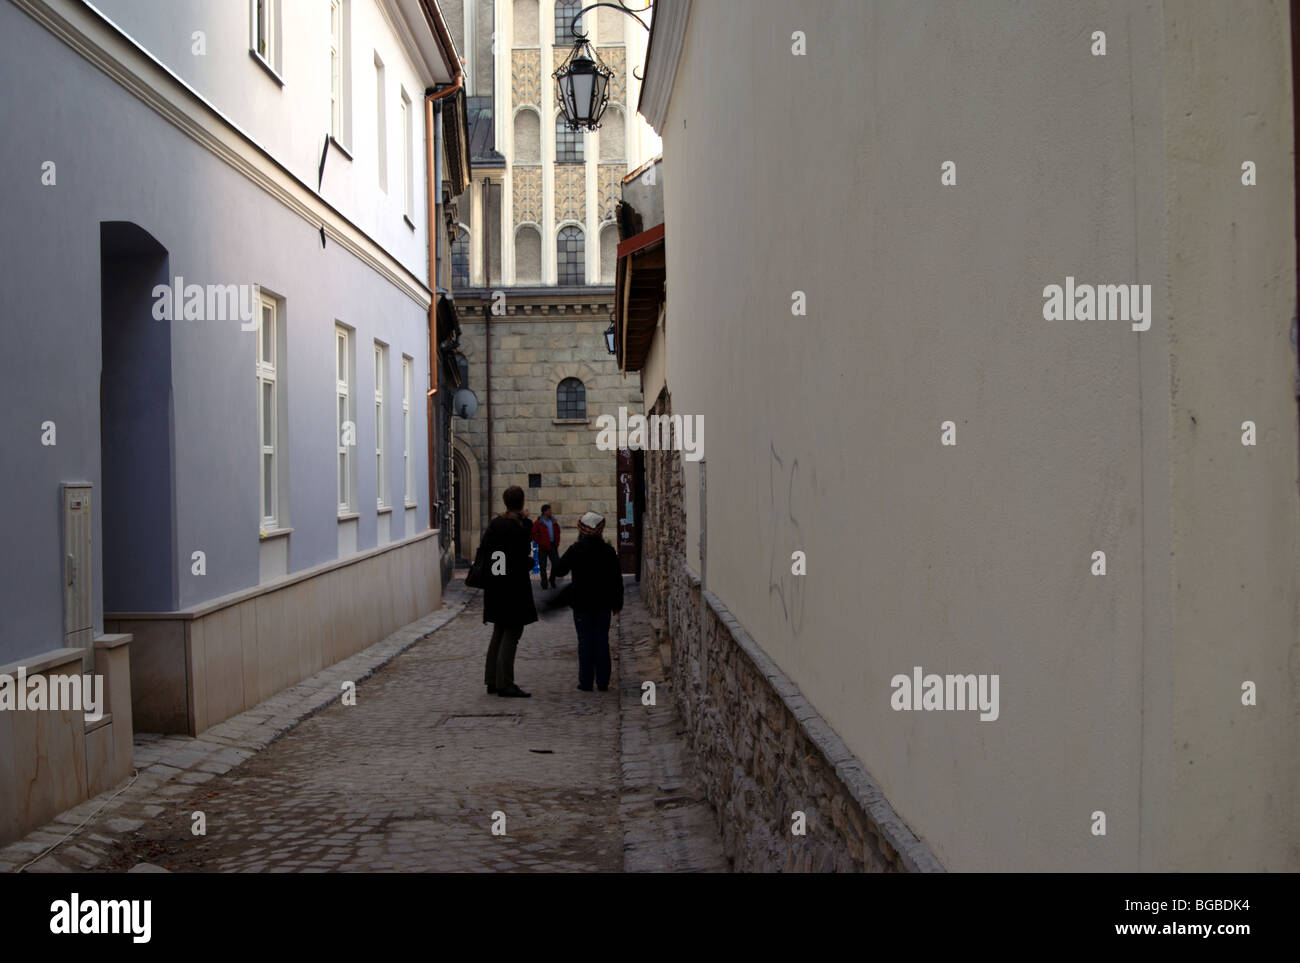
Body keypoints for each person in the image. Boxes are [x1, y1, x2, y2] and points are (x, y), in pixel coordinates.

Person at [551, 511, 624, 692]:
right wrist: (617, 604)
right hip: (603, 604)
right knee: (601, 640)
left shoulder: (576, 549)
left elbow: (559, 570)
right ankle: (603, 681)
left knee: (584, 642)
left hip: (582, 603)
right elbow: (616, 580)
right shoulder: (608, 551)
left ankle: (585, 682)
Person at [481, 485, 538, 698]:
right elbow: (520, 558)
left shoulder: (495, 525)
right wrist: (529, 562)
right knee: (512, 633)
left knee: (499, 631)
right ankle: (505, 682)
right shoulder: (520, 527)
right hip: (513, 588)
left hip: (495, 585)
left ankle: (491, 679)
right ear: (522, 502)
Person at [531, 504, 562, 588]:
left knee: (556, 563)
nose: (550, 511)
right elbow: (533, 533)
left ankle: (552, 579)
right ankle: (544, 582)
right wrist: (540, 541)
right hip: (543, 546)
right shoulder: (539, 522)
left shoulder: (553, 521)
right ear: (544, 512)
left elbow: (558, 531)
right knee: (543, 565)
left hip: (552, 545)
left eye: (550, 510)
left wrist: (557, 542)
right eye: (549, 510)